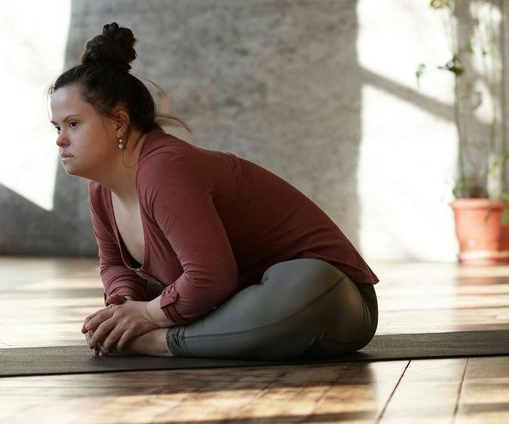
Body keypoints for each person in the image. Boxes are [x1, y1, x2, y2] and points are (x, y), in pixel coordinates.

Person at [47, 22, 378, 360]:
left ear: (119, 122)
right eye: (57, 127)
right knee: (218, 309)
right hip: (238, 304)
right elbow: (114, 266)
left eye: (73, 124)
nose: (60, 138)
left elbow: (210, 278)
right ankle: (209, 337)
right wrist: (123, 310)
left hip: (329, 297)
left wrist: (147, 318)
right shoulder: (101, 191)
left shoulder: (164, 167)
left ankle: (161, 343)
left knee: (307, 282)